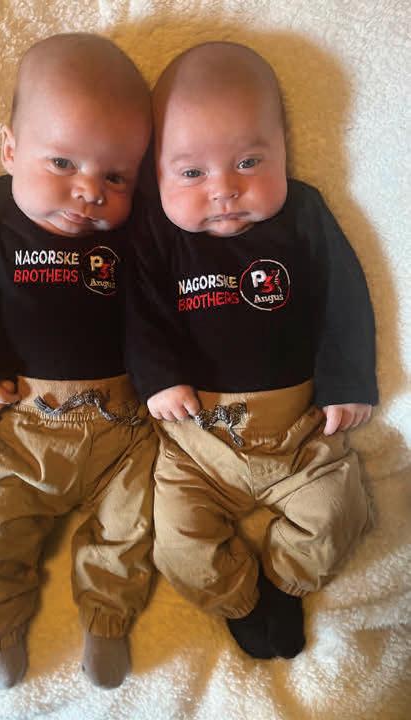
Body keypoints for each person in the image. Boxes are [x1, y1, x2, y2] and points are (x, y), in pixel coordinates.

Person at [126, 41, 378, 660]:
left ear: (284, 149)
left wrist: (347, 380)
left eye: (248, 162)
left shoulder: (304, 214)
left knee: (341, 511)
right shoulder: (155, 231)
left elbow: (344, 295)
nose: (224, 190)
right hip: (198, 440)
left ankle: (287, 582)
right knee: (177, 542)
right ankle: (241, 598)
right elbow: (137, 309)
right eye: (191, 173)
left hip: (300, 431)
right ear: (156, 172)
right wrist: (158, 377)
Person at [0, 33, 156, 689]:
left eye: (115, 177)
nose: (88, 191)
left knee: (133, 522)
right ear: (10, 149)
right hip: (22, 418)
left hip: (122, 423)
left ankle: (108, 618)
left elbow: (157, 306)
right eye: (61, 162)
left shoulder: (135, 228)